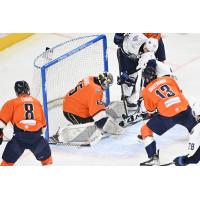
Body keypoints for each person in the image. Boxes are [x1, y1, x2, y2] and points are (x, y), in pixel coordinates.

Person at [139, 60, 198, 166]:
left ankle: (153, 157)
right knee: (195, 128)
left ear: (145, 78)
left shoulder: (146, 91)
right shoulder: (168, 79)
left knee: (145, 129)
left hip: (168, 116)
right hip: (184, 108)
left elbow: (151, 111)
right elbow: (180, 92)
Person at [50, 72, 123, 145]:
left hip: (75, 103)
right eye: (107, 85)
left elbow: (87, 95)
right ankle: (60, 136)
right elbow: (100, 120)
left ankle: (71, 128)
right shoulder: (96, 91)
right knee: (88, 131)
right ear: (104, 83)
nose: (106, 88)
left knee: (97, 120)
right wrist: (112, 128)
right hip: (72, 110)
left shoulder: (90, 78)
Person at [0, 81, 52, 166]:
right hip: (36, 138)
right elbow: (43, 126)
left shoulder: (12, 102)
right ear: (28, 89)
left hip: (19, 138)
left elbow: (1, 122)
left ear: (17, 91)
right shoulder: (37, 102)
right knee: (47, 160)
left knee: (7, 162)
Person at [114, 33, 166, 109]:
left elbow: (143, 64)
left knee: (149, 74)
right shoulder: (134, 42)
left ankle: (146, 99)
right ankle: (127, 97)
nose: (146, 51)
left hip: (137, 51)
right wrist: (119, 34)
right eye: (146, 49)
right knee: (130, 79)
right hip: (126, 54)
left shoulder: (149, 50)